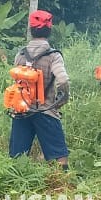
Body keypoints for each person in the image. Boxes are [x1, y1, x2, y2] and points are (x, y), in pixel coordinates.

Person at [9, 10, 70, 170]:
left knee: (17, 157)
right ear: (49, 30)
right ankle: (63, 185)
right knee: (60, 156)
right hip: (46, 111)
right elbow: (63, 80)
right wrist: (61, 101)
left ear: (31, 30)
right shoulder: (53, 56)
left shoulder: (20, 54)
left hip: (21, 110)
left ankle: (15, 184)